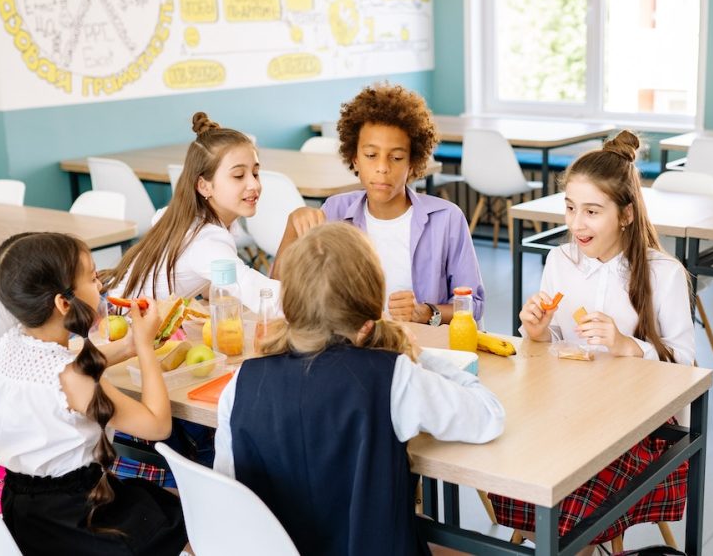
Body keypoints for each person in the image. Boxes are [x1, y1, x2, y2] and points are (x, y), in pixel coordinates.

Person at [215, 222, 505, 555]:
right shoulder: (392, 376)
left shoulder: (242, 382)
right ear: (368, 318)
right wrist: (423, 356)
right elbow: (489, 416)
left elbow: (230, 496)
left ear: (289, 304)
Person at [494, 130, 695, 551]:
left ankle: (566, 543)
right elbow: (544, 351)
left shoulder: (665, 274)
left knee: (573, 496)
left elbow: (687, 367)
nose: (575, 224)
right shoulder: (560, 260)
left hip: (638, 424)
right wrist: (537, 331)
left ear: (625, 215)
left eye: (591, 211)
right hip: (567, 411)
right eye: (569, 208)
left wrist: (628, 346)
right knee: (511, 457)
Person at [0, 232, 187, 555]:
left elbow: (62, 368)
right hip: (80, 520)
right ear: (64, 303)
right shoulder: (76, 379)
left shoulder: (12, 344)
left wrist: (129, 345)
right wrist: (146, 349)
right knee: (178, 513)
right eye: (93, 278)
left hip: (25, 513)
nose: (101, 286)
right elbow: (158, 425)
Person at [275, 83, 485, 325]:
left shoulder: (446, 218)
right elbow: (282, 295)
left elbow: (474, 306)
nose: (382, 167)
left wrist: (427, 312)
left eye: (396, 158)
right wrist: (293, 226)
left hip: (420, 345)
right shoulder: (334, 212)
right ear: (354, 159)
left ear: (413, 164)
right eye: (371, 155)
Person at [103, 111, 279, 314]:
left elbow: (209, 286)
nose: (254, 184)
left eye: (255, 173)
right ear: (204, 186)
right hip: (122, 328)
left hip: (113, 310)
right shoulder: (207, 240)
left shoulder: (183, 217)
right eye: (239, 175)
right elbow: (263, 296)